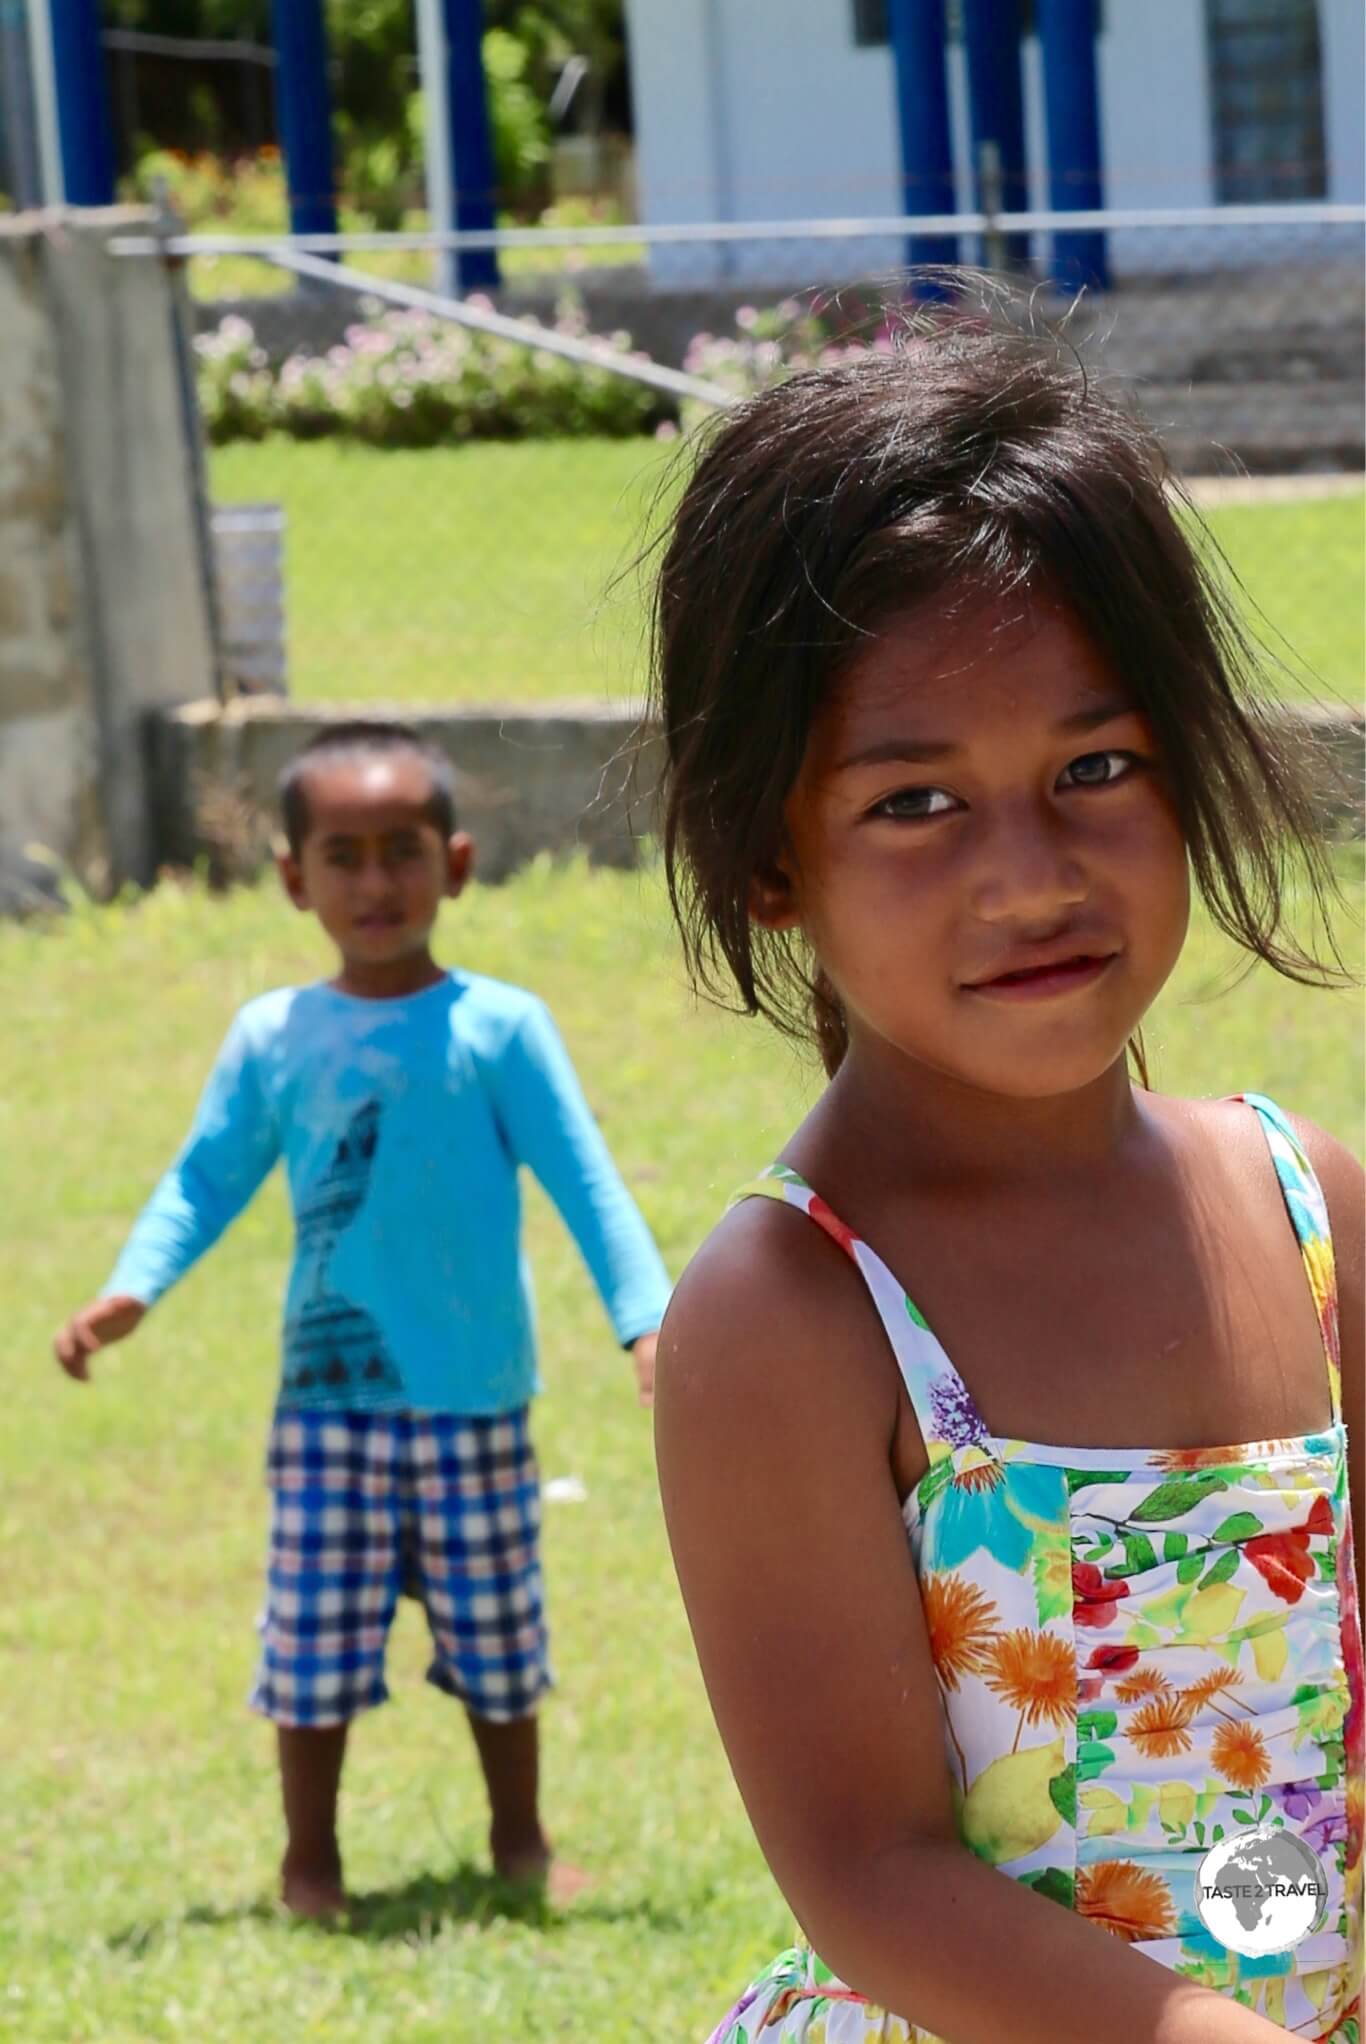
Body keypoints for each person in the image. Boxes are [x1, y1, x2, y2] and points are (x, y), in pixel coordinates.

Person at [649, 296, 1363, 2042]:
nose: (1027, 871)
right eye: (915, 802)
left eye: (1094, 767)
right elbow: (871, 1865)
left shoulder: (1315, 1209)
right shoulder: (793, 1311)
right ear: (766, 857)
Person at [53, 718, 671, 1917]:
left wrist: (645, 1318)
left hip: (473, 1402)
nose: (375, 881)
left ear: (459, 861)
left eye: (403, 849)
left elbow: (585, 1179)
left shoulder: (501, 1028)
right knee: (312, 1646)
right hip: (325, 1413)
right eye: (343, 855)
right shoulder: (273, 1037)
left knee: (499, 1641)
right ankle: (310, 1867)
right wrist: (134, 1286)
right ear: (293, 877)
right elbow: (202, 1177)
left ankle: (520, 1842)